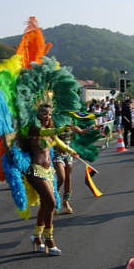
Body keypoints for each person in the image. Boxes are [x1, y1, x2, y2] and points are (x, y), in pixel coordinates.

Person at [23, 104, 78, 255]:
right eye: (44, 115)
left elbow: (57, 142)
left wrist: (70, 150)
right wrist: (60, 130)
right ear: (38, 116)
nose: (47, 117)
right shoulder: (34, 129)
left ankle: (36, 236)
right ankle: (49, 239)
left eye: (49, 115)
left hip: (47, 172)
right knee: (51, 202)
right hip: (34, 170)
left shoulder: (49, 132)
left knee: (46, 203)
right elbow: (47, 132)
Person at [53, 124, 90, 214]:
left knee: (68, 179)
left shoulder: (72, 126)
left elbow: (82, 131)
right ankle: (54, 201)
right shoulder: (54, 124)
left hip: (68, 155)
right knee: (61, 178)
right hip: (57, 154)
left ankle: (66, 202)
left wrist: (91, 128)